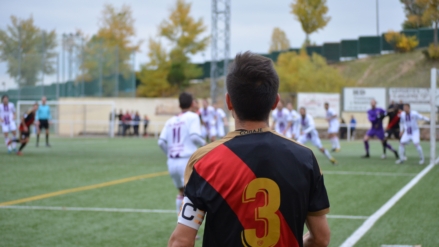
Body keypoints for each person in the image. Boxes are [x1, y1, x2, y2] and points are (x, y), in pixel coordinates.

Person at [169, 52, 330, 247]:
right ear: (275, 102)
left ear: (229, 102)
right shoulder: (305, 158)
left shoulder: (204, 161)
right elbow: (321, 238)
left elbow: (181, 241)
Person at [158, 92, 206, 218]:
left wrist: (169, 154)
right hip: (186, 160)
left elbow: (161, 142)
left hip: (172, 162)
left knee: (181, 192)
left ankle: (180, 225)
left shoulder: (170, 121)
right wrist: (206, 146)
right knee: (193, 195)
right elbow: (195, 136)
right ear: (191, 103)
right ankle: (189, 232)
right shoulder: (193, 117)